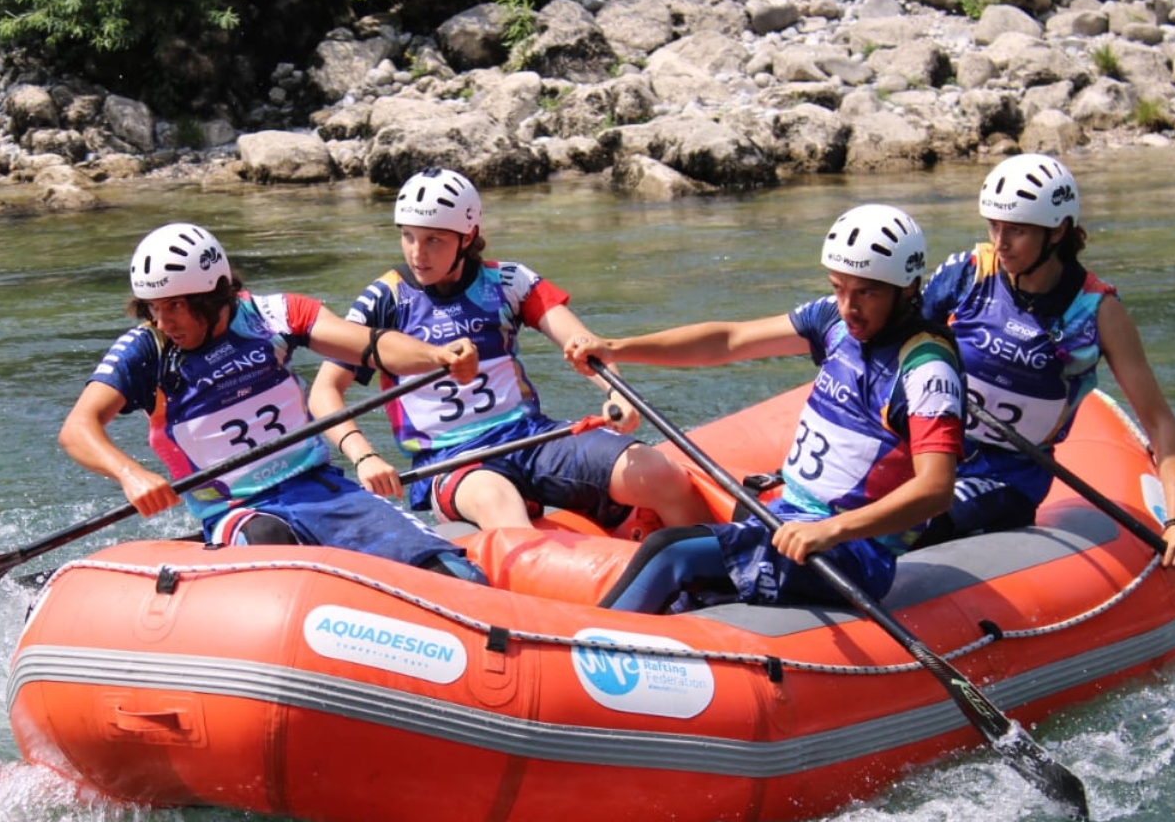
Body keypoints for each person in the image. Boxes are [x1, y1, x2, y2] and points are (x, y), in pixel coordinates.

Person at [561, 205, 965, 614]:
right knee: (684, 602)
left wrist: (830, 530)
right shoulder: (832, 321)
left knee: (670, 551)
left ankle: (582, 642)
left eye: (867, 293)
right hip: (786, 517)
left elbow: (935, 490)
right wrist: (616, 348)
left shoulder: (926, 369)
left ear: (907, 288)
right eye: (839, 287)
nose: (848, 306)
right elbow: (729, 341)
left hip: (849, 551)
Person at [59, 222, 488, 582]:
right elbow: (78, 428)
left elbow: (370, 345)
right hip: (239, 510)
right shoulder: (146, 350)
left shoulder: (272, 316)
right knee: (270, 544)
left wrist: (436, 356)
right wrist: (130, 474)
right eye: (153, 307)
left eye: (175, 306)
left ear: (214, 296)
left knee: (450, 573)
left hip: (319, 489)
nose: (163, 320)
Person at [308, 167, 707, 536]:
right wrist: (363, 456)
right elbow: (325, 391)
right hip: (449, 460)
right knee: (499, 502)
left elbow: (584, 344)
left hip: (529, 437)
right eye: (408, 236)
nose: (417, 253)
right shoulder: (384, 300)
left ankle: (716, 571)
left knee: (661, 474)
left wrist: (617, 393)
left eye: (433, 240)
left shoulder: (509, 281)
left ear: (467, 237)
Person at [915, 153, 1175, 572]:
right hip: (932, 451)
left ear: (1057, 231)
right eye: (994, 226)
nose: (1000, 242)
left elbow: (1159, 423)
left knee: (914, 518)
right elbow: (895, 350)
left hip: (1006, 478)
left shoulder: (1098, 312)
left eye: (1017, 230)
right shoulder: (970, 272)